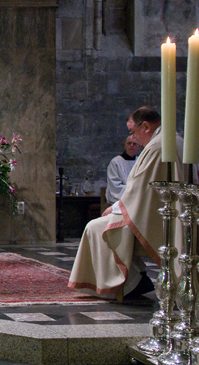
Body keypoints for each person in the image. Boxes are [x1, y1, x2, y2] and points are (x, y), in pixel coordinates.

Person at [68, 107, 186, 300]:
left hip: (154, 216)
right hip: (159, 212)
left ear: (145, 126)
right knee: (101, 225)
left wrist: (115, 209)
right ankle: (136, 278)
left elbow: (140, 190)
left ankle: (123, 285)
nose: (134, 138)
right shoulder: (170, 140)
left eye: (133, 132)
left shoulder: (157, 147)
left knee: (95, 228)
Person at [105, 134, 141, 204]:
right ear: (125, 145)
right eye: (129, 143)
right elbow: (115, 185)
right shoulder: (116, 162)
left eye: (134, 144)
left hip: (136, 198)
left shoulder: (140, 162)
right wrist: (134, 190)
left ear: (139, 147)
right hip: (119, 198)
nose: (131, 145)